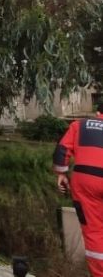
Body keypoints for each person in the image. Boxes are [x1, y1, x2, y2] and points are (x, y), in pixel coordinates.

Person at [53, 103, 103, 276]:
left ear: (98, 113)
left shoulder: (79, 125)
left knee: (94, 232)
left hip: (85, 183)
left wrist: (61, 173)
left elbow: (61, 150)